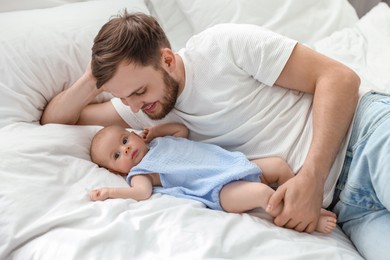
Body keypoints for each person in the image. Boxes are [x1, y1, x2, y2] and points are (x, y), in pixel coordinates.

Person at [39, 11, 389, 259]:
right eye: (124, 96)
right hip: (348, 209)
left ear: (167, 59)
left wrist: (312, 177)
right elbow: (57, 120)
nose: (134, 105)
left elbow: (339, 78)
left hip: (365, 136)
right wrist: (94, 77)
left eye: (140, 90)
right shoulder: (143, 108)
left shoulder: (223, 45)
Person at [89, 123, 337, 234]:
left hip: (232, 166)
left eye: (124, 141)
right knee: (264, 195)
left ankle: (306, 203)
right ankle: (305, 219)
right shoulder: (140, 172)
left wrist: (156, 131)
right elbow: (141, 193)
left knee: (279, 166)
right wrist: (111, 192)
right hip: (219, 189)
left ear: (134, 134)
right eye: (117, 155)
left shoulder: (157, 143)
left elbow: (181, 131)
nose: (127, 150)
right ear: (117, 171)